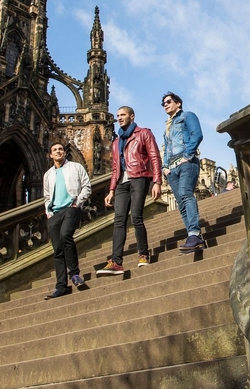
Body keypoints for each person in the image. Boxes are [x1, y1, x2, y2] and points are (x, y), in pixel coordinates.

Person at [98, 106, 162, 275]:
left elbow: (155, 156)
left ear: (132, 116)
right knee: (119, 220)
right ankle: (116, 262)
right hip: (121, 183)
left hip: (139, 177)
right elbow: (114, 168)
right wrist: (111, 190)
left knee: (136, 216)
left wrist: (157, 181)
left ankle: (143, 254)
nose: (119, 118)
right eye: (118, 115)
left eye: (123, 115)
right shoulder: (116, 141)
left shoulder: (144, 133)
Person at [43, 142, 92, 300]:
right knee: (57, 249)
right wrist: (48, 211)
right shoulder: (48, 174)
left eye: (60, 149)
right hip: (55, 213)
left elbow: (87, 186)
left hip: (71, 208)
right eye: (54, 150)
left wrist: (78, 202)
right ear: (51, 155)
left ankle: (75, 274)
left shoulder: (76, 167)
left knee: (66, 235)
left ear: (64, 153)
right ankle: (61, 286)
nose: (58, 152)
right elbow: (46, 196)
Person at [161, 92, 205, 254]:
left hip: (187, 163)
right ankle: (195, 238)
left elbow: (197, 135)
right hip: (171, 169)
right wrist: (164, 168)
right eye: (163, 103)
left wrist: (187, 156)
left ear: (178, 103)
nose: (165, 105)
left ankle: (194, 233)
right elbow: (165, 149)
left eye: (168, 101)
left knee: (186, 194)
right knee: (181, 203)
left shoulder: (187, 116)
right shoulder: (168, 126)